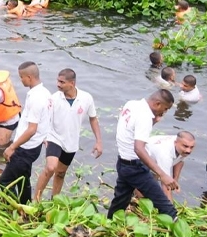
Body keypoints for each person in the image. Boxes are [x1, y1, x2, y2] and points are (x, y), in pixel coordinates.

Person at [106, 89, 177, 220]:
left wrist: (154, 121)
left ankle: (109, 224)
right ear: (157, 103)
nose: (164, 112)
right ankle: (179, 231)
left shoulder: (132, 104)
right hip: (135, 167)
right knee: (165, 205)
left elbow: (132, 130)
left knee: (119, 202)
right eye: (165, 108)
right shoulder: (144, 116)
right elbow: (139, 149)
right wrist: (162, 175)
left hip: (123, 162)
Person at [33, 69, 103, 201]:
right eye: (57, 81)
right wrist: (43, 136)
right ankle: (36, 199)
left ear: (72, 83)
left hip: (71, 142)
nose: (58, 84)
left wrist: (98, 141)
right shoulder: (53, 99)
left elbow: (93, 118)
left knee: (60, 173)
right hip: (54, 137)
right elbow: (45, 118)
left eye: (62, 82)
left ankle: (55, 201)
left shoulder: (86, 98)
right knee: (50, 168)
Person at [0, 62, 51, 204]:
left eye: (21, 77)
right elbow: (47, 119)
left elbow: (32, 129)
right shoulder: (45, 93)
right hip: (35, 146)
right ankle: (25, 204)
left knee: (5, 181)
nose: (20, 80)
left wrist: (12, 147)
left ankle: (15, 208)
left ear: (29, 77)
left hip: (26, 148)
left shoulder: (36, 98)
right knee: (23, 178)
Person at [145, 132, 195, 201]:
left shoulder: (181, 144)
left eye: (191, 147)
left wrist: (175, 179)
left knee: (154, 182)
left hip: (155, 159)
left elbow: (180, 161)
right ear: (175, 142)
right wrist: (171, 208)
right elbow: (166, 184)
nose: (188, 151)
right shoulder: (165, 155)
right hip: (140, 159)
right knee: (145, 189)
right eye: (186, 146)